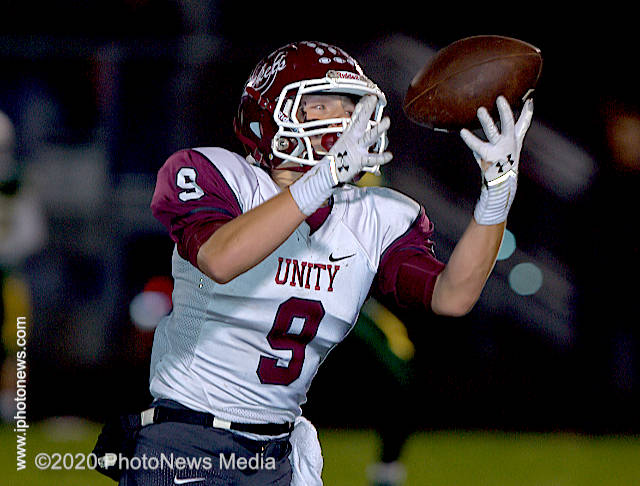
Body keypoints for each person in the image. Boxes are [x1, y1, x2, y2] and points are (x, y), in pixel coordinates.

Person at [115, 40, 533, 485]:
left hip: (276, 453)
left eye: (350, 105)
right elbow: (220, 257)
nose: (343, 118)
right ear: (270, 113)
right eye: (321, 103)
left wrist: (497, 193)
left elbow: (453, 294)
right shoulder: (215, 174)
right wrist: (322, 179)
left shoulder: (373, 214)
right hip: (187, 439)